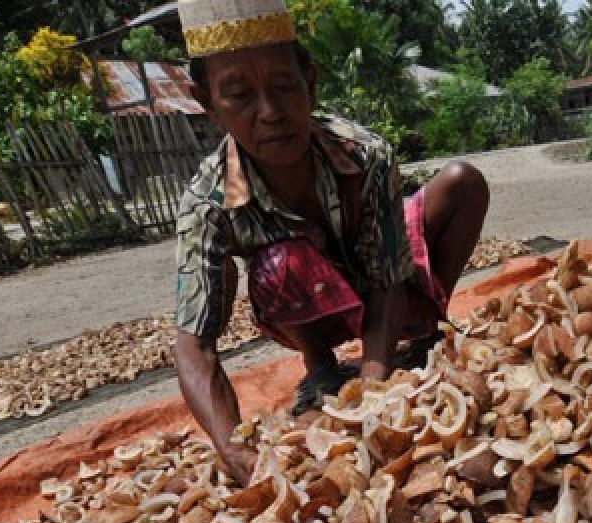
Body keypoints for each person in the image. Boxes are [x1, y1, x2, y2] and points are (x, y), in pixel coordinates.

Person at [172, 0, 490, 486]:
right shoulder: (207, 204)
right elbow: (195, 344)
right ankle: (320, 366)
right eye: (238, 95)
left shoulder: (365, 154)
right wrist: (232, 444)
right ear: (208, 105)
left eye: (284, 87)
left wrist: (374, 384)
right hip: (303, 298)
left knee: (462, 181)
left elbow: (387, 276)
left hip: (375, 277)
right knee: (279, 262)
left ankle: (422, 329)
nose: (271, 112)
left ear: (311, 84)